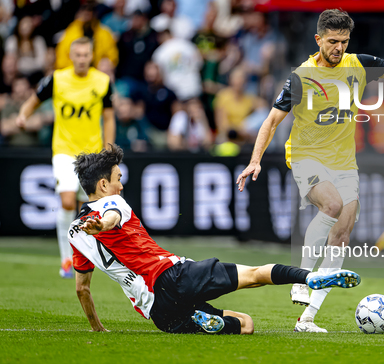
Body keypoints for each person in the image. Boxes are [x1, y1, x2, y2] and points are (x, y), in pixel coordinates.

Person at [236, 9, 384, 332]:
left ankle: (307, 318)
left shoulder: (358, 64)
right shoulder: (301, 76)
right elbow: (271, 121)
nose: (339, 48)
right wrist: (255, 159)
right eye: (333, 41)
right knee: (332, 206)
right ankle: (301, 279)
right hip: (307, 157)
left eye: (344, 42)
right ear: (318, 39)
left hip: (344, 162)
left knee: (342, 235)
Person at [70, 143, 360, 334]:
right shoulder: (112, 205)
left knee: (245, 324)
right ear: (103, 184)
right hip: (172, 275)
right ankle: (309, 278)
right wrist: (103, 226)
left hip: (158, 312)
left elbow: (82, 289)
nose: (121, 186)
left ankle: (210, 321)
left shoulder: (76, 233)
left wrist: (98, 329)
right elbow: (111, 218)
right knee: (255, 275)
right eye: (118, 178)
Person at [16, 36, 116, 278]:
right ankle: (66, 261)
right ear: (71, 56)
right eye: (77, 55)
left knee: (87, 208)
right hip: (63, 150)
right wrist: (22, 115)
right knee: (68, 201)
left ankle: (84, 256)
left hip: (91, 154)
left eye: (85, 55)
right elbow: (34, 100)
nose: (81, 59)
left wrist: (109, 149)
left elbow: (109, 116)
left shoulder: (102, 82)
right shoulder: (57, 79)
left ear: (91, 56)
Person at [55, 2, 119, 70]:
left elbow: (113, 57)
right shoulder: (71, 31)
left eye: (89, 12)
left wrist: (104, 66)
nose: (87, 15)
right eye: (85, 12)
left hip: (97, 72)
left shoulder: (104, 33)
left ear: (94, 14)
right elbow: (61, 58)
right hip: (74, 71)